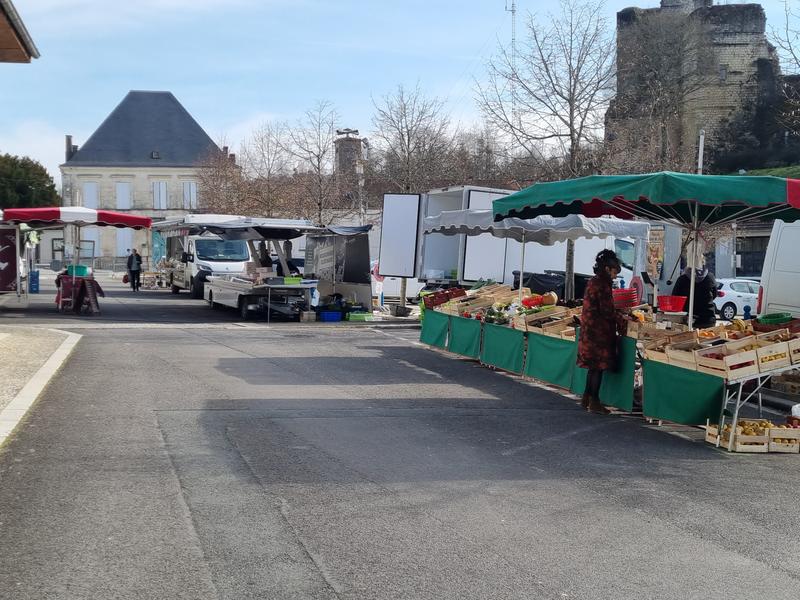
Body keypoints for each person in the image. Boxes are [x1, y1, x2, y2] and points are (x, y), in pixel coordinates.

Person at [577, 249, 628, 415]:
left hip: (589, 330)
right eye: (614, 272)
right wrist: (622, 319)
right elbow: (607, 311)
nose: (615, 276)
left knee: (592, 367)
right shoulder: (602, 285)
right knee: (597, 367)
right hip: (598, 332)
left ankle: (586, 397)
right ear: (607, 269)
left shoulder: (594, 281)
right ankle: (595, 401)